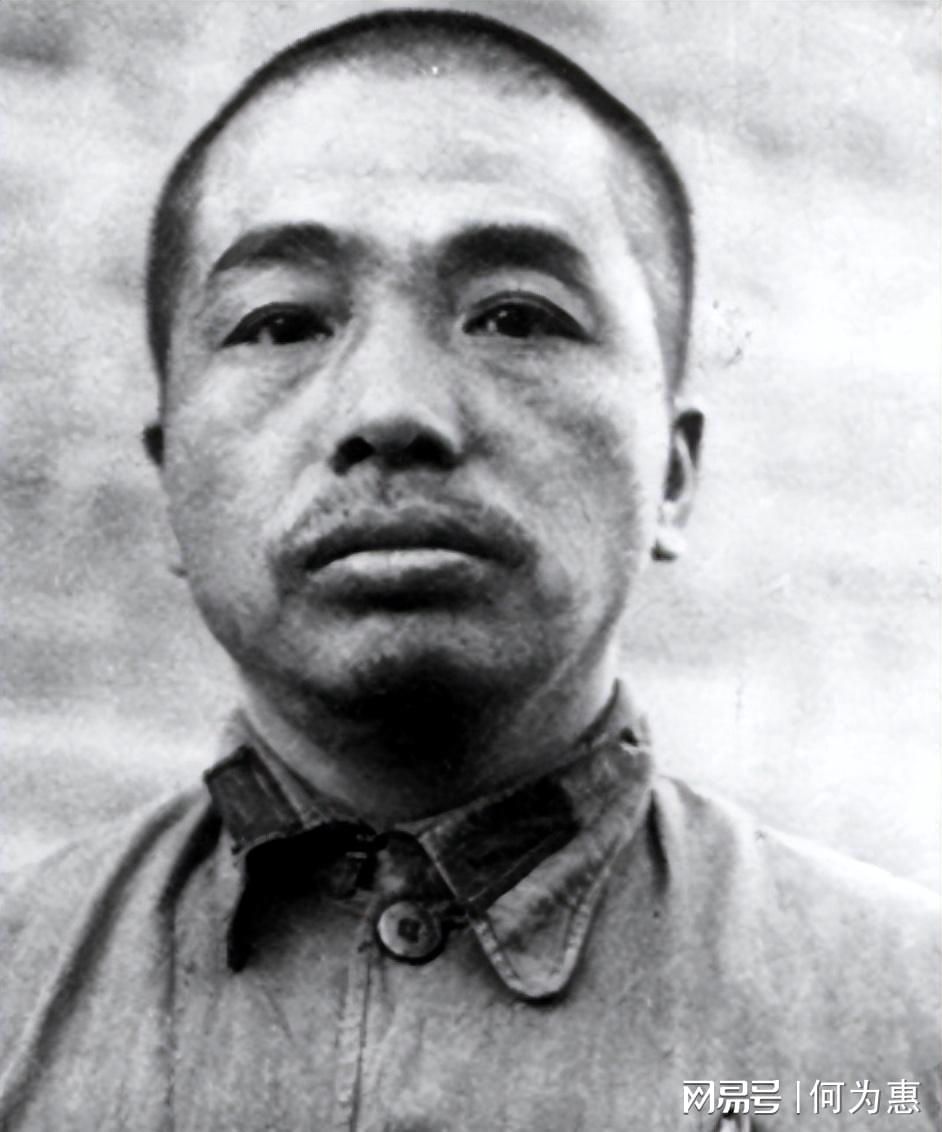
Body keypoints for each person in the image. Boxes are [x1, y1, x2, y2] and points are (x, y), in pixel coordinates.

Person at [0, 8, 937, 1130]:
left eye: (515, 317)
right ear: (168, 482)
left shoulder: (905, 1028)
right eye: (282, 323)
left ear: (673, 474)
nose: (393, 409)